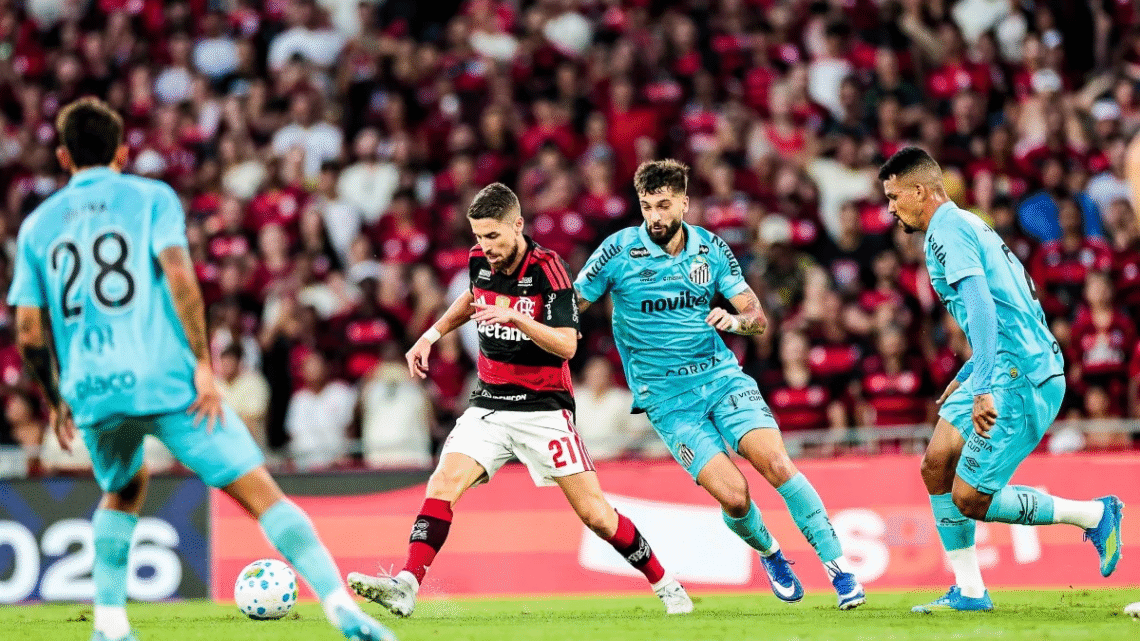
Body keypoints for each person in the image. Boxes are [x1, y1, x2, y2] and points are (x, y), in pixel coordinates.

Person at [7, 98, 394, 641]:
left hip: (92, 388)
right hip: (164, 381)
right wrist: (204, 368)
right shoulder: (151, 197)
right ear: (121, 152)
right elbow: (180, 279)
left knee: (123, 487)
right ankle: (340, 607)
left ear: (63, 155)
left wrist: (55, 399)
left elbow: (27, 331)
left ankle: (111, 627)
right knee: (260, 492)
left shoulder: (36, 227)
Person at [347, 183, 692, 616]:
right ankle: (406, 583)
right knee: (442, 484)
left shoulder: (549, 270)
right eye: (477, 236)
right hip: (489, 405)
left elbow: (567, 345)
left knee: (596, 516)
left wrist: (516, 317)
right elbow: (472, 298)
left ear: (518, 226)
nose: (484, 246)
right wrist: (430, 335)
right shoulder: (479, 261)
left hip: (544, 409)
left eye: (493, 236)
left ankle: (666, 584)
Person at [574, 159, 866, 610]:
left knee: (777, 464)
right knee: (735, 496)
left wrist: (734, 319)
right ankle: (771, 552)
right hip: (668, 402)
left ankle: (840, 570)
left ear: (685, 204)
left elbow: (757, 319)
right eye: (647, 206)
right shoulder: (617, 251)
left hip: (721, 378)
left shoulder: (711, 249)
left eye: (665, 205)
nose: (655, 216)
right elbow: (572, 302)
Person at [878, 146, 1124, 614]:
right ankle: (969, 590)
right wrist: (970, 372)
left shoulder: (948, 230)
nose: (890, 208)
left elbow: (983, 308)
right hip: (1002, 363)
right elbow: (1009, 307)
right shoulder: (965, 225)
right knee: (936, 464)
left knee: (969, 497)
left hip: (1021, 374)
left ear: (920, 191)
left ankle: (1095, 515)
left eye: (893, 197)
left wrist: (983, 383)